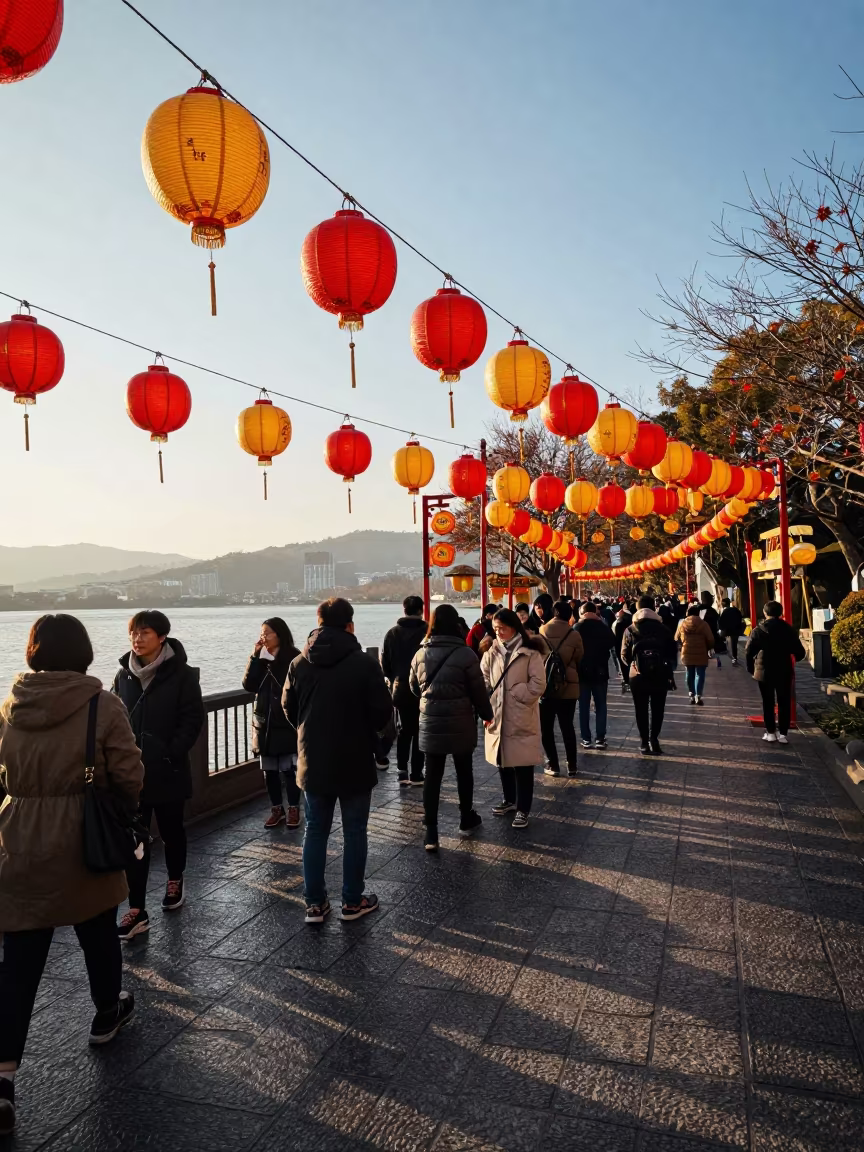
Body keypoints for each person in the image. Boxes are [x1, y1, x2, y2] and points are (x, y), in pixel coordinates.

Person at [0, 615, 144, 1135]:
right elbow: (129, 774)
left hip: (18, 838)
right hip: (83, 837)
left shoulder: (11, 706)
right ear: (83, 651)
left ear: (34, 651)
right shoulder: (102, 705)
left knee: (17, 961)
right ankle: (107, 1012)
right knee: (98, 932)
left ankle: (4, 1077)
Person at [283, 598, 392, 923]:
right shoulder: (363, 663)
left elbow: (289, 708)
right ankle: (352, 901)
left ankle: (315, 904)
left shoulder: (299, 662)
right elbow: (382, 712)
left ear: (318, 623)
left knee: (315, 830)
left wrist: (308, 733)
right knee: (355, 830)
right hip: (355, 757)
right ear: (350, 626)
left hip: (312, 759)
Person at [113, 611, 204, 941]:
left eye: (145, 632)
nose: (137, 639)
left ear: (162, 636)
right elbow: (113, 719)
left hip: (168, 770)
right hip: (131, 775)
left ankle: (175, 879)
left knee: (171, 831)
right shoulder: (123, 675)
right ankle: (136, 908)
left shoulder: (182, 675)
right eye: (134, 633)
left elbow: (192, 719)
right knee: (135, 841)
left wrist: (169, 752)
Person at [409, 604, 493, 851]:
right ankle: (466, 818)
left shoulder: (420, 653)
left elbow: (414, 688)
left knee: (432, 775)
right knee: (463, 770)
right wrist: (487, 715)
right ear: (456, 623)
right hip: (460, 720)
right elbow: (478, 691)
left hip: (431, 721)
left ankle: (431, 832)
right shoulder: (466, 654)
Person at [480, 608, 546, 828]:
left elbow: (538, 684)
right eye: (496, 628)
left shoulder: (530, 652)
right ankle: (509, 799)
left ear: (514, 628)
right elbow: (484, 679)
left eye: (503, 628)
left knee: (523, 764)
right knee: (502, 759)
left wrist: (518, 694)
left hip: (520, 714)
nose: (498, 632)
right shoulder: (491, 651)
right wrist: (486, 703)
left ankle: (523, 809)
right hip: (497, 713)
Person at [242, 618, 301, 829]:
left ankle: (294, 808)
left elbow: (294, 686)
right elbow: (249, 684)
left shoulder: (293, 656)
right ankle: (277, 809)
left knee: (289, 768)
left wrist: (271, 662)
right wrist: (255, 658)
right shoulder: (260, 657)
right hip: (263, 721)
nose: (263, 638)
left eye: (267, 633)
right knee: (269, 771)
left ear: (279, 634)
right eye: (261, 633)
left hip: (285, 721)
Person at [620, 596, 677, 755]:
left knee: (641, 709)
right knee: (658, 708)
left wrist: (634, 664)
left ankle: (644, 742)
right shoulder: (664, 629)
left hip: (637, 676)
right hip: (660, 674)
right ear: (654, 608)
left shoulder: (630, 629)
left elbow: (624, 656)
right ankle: (654, 739)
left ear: (637, 610)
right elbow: (672, 654)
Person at [381, 596, 428, 786]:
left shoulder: (392, 633)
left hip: (400, 687)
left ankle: (402, 772)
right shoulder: (427, 632)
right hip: (424, 687)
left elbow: (385, 665)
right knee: (420, 730)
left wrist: (394, 678)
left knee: (403, 730)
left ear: (404, 610)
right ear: (421, 610)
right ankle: (417, 773)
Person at [745, 601, 807, 744]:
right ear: (781, 613)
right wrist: (793, 658)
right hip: (783, 669)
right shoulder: (788, 629)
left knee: (768, 702)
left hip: (764, 670)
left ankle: (770, 732)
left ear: (765, 613)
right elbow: (800, 652)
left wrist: (751, 668)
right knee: (784, 701)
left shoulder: (758, 630)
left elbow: (748, 652)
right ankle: (783, 734)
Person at [539, 599, 584, 777]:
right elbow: (579, 657)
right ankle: (572, 765)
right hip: (568, 686)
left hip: (547, 685)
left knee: (546, 727)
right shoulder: (574, 635)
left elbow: (539, 656)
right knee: (567, 726)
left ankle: (553, 764)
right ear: (569, 615)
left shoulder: (542, 631)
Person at [574, 602, 615, 749]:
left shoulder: (577, 628)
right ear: (595, 612)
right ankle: (600, 738)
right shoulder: (603, 627)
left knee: (583, 706)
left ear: (582, 612)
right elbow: (612, 642)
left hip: (582, 672)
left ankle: (586, 738)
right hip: (600, 671)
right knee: (601, 705)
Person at [675, 605, 716, 706]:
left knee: (689, 673)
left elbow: (676, 638)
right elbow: (710, 639)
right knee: (700, 674)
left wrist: (682, 644)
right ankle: (698, 695)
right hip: (701, 652)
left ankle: (691, 694)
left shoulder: (682, 624)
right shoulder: (704, 624)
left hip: (686, 652)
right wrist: (708, 647)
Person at [613, 604, 633, 693]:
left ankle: (627, 682)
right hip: (631, 646)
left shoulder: (619, 623)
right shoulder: (634, 621)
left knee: (624, 665)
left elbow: (616, 636)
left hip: (621, 647)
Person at [699, 591, 722, 668]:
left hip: (698, 638)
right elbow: (717, 625)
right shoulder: (713, 612)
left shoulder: (696, 610)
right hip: (711, 636)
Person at [719, 598, 744, 666]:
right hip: (735, 630)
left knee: (729, 644)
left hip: (727, 631)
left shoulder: (724, 612)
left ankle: (730, 657)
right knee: (734, 645)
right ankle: (734, 658)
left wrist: (721, 629)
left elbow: (721, 622)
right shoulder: (735, 610)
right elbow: (740, 618)